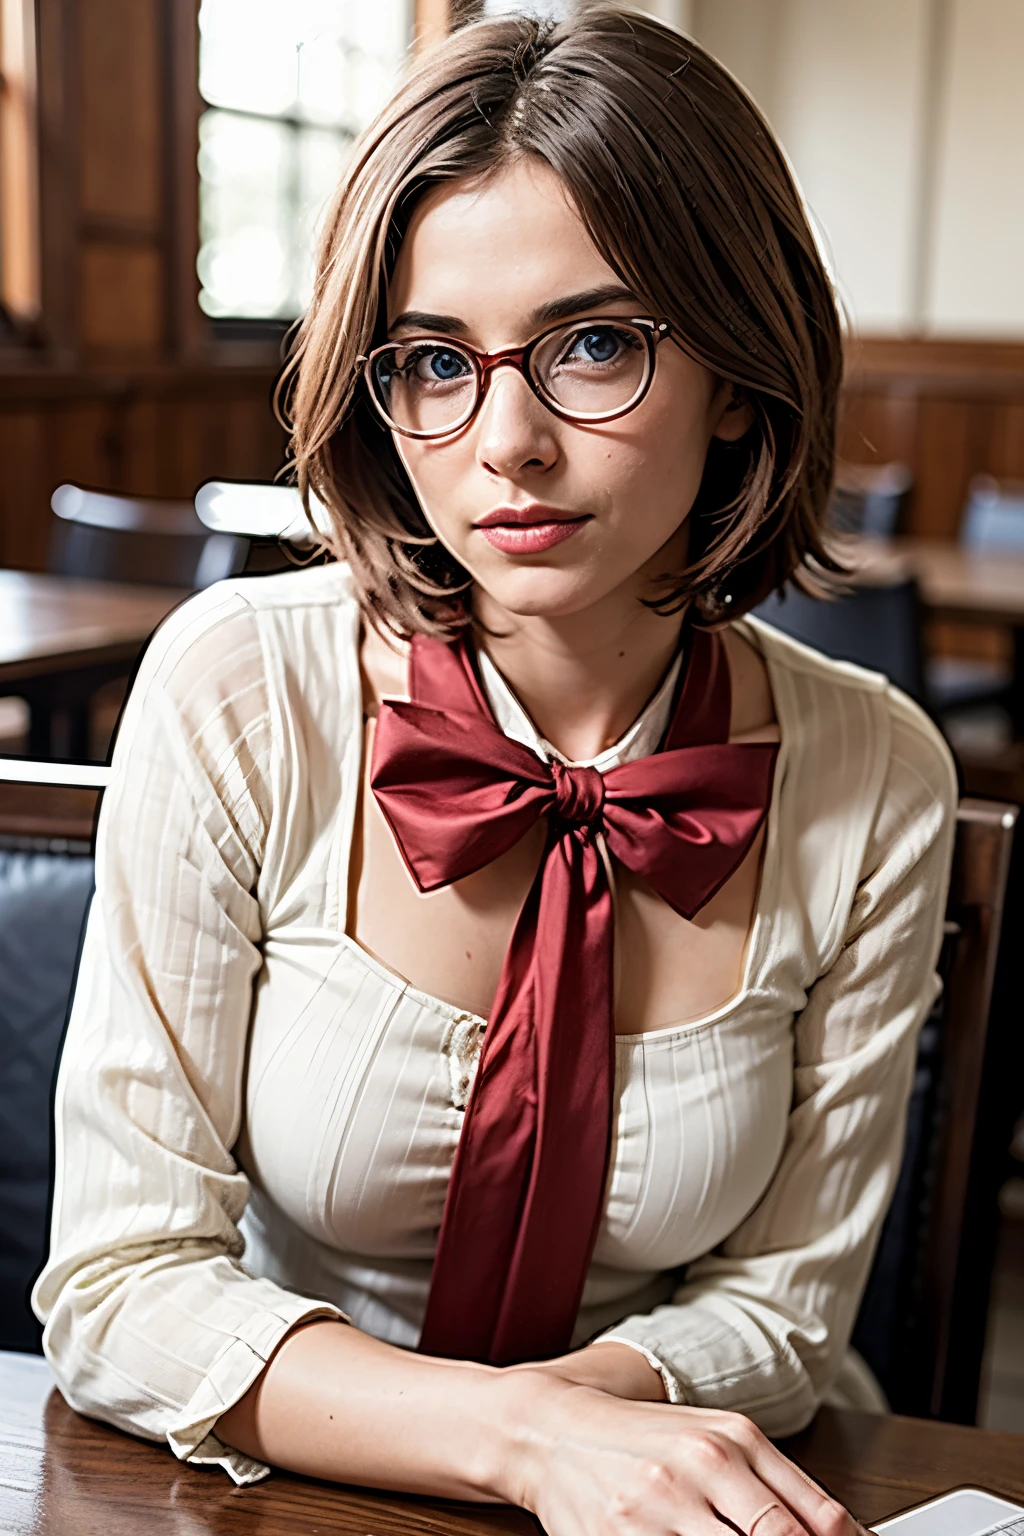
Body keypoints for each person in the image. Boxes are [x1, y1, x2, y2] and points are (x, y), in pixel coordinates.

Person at [34, 10, 957, 1536]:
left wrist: (596, 1441)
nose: (506, 442)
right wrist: (516, 1440)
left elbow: (788, 1315)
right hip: (281, 1490)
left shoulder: (879, 773)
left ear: (739, 369)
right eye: (433, 362)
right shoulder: (241, 691)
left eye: (595, 343)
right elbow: (124, 1286)